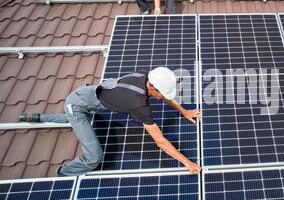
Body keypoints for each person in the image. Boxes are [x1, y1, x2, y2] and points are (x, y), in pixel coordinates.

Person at [19, 67, 202, 176]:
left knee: (84, 119)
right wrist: (187, 162)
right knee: (94, 157)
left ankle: (37, 118)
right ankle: (62, 174)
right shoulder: (138, 104)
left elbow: (164, 95)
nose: (163, 97)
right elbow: (160, 141)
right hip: (80, 106)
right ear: (152, 88)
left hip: (88, 97)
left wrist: (184, 111)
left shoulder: (144, 77)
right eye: (161, 93)